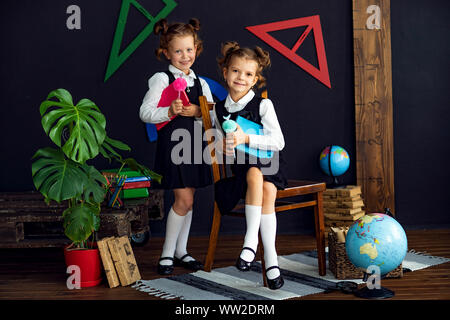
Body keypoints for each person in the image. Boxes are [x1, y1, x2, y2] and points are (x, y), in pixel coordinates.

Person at [139, 18, 214, 275]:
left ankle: (182, 250)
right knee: (184, 198)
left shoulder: (201, 83)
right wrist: (169, 110)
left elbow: (213, 116)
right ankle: (167, 254)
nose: (185, 56)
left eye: (189, 49)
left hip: (195, 147)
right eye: (178, 51)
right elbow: (146, 113)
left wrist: (198, 111)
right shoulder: (161, 78)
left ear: (197, 49)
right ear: (167, 52)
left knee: (190, 201)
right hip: (174, 147)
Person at [213, 41, 288, 290]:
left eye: (248, 74)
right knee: (262, 186)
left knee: (258, 176)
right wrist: (223, 146)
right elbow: (218, 143)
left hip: (270, 164)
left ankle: (250, 244)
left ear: (255, 79)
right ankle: (272, 262)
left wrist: (246, 138)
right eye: (235, 71)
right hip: (241, 171)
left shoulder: (264, 105)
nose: (240, 78)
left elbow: (278, 142)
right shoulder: (219, 109)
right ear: (225, 72)